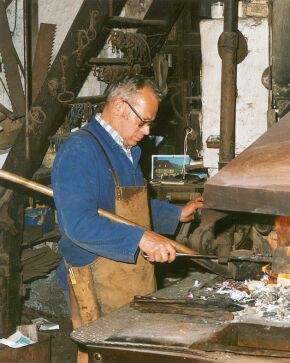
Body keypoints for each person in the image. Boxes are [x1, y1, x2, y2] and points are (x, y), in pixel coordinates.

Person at [52, 75, 203, 328]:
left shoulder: (125, 150)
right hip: (96, 275)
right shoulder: (80, 151)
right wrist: (141, 239)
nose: (146, 132)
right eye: (143, 122)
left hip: (131, 273)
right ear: (119, 106)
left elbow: (126, 207)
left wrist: (176, 214)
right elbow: (77, 224)